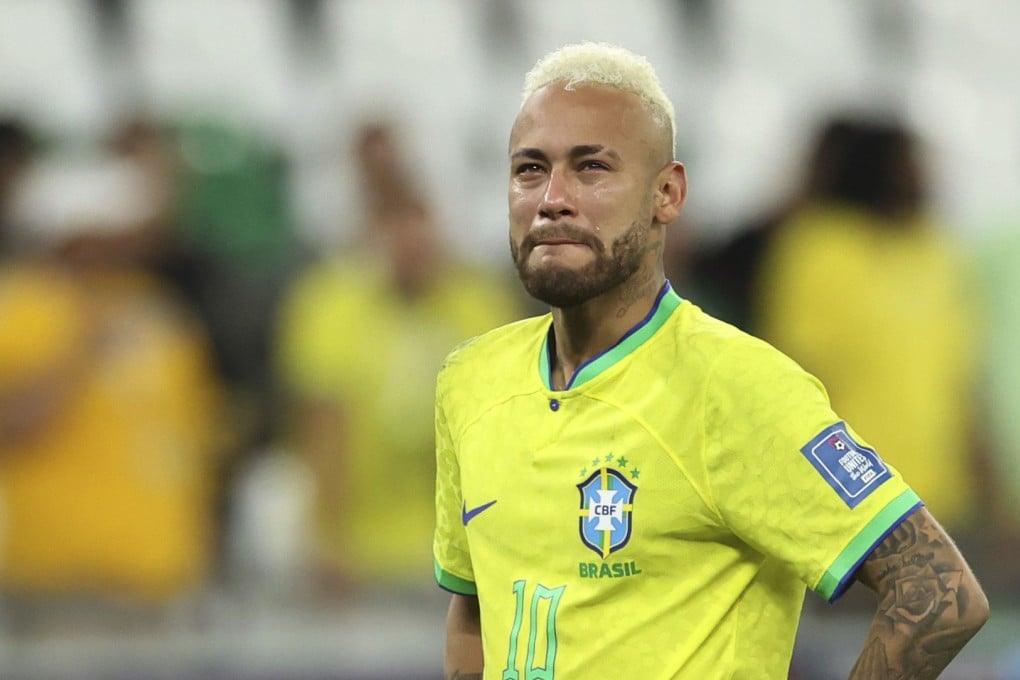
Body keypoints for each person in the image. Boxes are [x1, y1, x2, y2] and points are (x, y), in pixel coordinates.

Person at [433, 42, 988, 679]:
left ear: (666, 194)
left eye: (591, 169)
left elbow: (941, 594)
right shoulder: (469, 381)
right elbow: (473, 612)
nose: (552, 197)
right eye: (530, 169)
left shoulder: (737, 386)